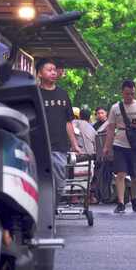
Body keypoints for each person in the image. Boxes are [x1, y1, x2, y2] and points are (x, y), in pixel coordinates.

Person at [103, 80, 136, 213]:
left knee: (135, 176)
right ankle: (121, 203)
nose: (129, 96)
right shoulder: (115, 108)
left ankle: (134, 197)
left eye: (132, 94)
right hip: (119, 144)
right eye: (127, 94)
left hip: (135, 145)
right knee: (120, 174)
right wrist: (107, 147)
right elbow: (110, 128)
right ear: (122, 93)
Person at [37, 58, 81, 201]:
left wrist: (74, 144)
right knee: (39, 180)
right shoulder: (35, 94)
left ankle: (51, 209)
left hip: (59, 146)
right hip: (38, 145)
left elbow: (68, 122)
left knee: (59, 184)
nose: (53, 73)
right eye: (49, 70)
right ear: (39, 73)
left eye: (54, 70)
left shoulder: (63, 94)